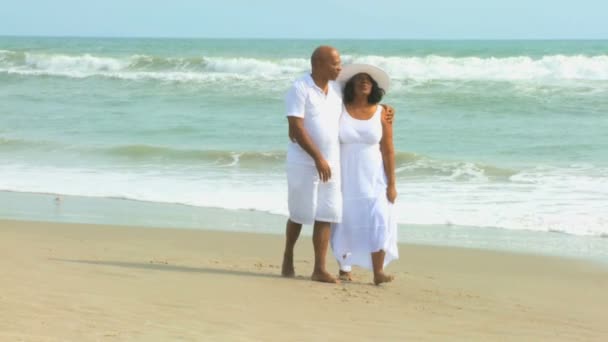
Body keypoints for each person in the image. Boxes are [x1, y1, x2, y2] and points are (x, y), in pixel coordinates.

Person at [330, 64, 399, 285]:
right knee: (346, 220)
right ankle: (344, 267)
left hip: (375, 178)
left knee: (379, 219)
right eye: (359, 79)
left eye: (368, 79)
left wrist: (392, 184)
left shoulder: (382, 113)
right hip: (346, 177)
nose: (364, 82)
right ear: (350, 85)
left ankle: (378, 272)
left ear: (374, 86)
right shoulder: (338, 109)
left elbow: (388, 149)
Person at [281, 45, 344, 283]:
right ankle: (288, 255)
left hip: (332, 162)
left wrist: (383, 110)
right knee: (299, 213)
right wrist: (317, 157)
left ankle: (319, 268)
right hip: (304, 162)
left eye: (340, 62)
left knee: (327, 212)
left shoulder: (337, 89)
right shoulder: (300, 88)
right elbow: (296, 127)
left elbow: (363, 99)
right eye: (335, 63)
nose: (340, 67)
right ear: (318, 64)